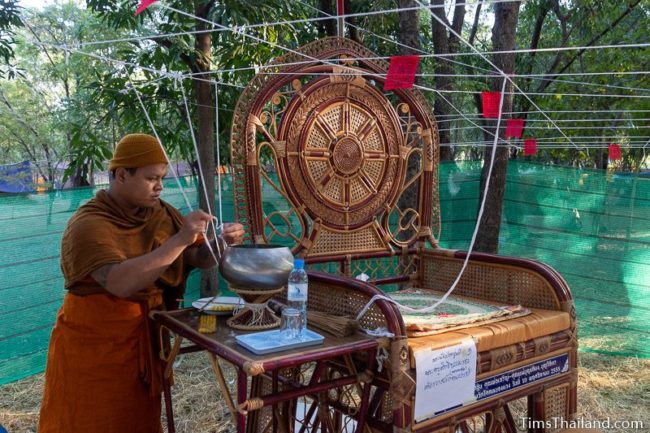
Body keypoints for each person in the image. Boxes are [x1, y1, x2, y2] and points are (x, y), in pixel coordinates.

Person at [38, 133, 244, 433]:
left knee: (137, 422)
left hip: (142, 345)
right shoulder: (89, 224)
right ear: (121, 174)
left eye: (162, 177)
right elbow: (120, 282)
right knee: (86, 422)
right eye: (151, 178)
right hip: (94, 350)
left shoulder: (160, 215)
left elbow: (193, 258)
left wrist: (220, 243)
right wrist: (181, 238)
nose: (160, 186)